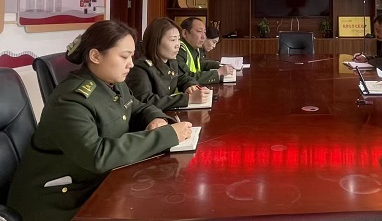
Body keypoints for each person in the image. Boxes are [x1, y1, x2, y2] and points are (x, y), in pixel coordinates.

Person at [7, 20, 191, 221]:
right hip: (60, 200)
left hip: (97, 182)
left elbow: (138, 107)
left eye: (131, 56)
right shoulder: (70, 100)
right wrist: (165, 136)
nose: (131, 64)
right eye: (124, 56)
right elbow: (97, 156)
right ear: (95, 56)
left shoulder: (113, 82)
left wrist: (156, 119)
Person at [126, 17, 208, 110]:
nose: (178, 45)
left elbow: (182, 78)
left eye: (178, 39)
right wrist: (188, 99)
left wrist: (191, 85)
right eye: (173, 40)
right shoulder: (140, 68)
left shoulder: (171, 62)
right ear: (155, 41)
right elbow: (145, 101)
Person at [177, 17, 233, 84]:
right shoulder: (178, 50)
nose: (204, 37)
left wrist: (219, 65)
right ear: (185, 33)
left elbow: (201, 64)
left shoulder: (195, 48)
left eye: (204, 32)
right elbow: (186, 78)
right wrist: (218, 72)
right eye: (199, 31)